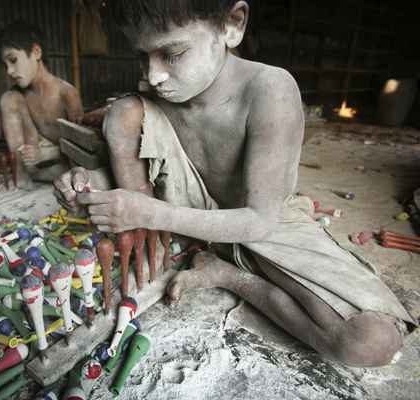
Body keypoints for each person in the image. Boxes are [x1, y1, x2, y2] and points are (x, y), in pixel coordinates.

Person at [53, 0, 416, 368]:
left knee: (370, 341)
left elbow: (260, 222)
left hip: (261, 225)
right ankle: (167, 255)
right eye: (142, 56)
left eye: (172, 53)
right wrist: (90, 183)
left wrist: (150, 212)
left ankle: (225, 273)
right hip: (187, 213)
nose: (154, 74)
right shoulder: (164, 91)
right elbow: (150, 166)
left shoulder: (269, 90)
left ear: (232, 25)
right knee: (124, 111)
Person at [0, 22, 83, 189]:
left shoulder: (66, 93)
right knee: (9, 97)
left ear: (36, 52)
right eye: (5, 65)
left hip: (65, 157)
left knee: (78, 171)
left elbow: (80, 144)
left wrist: (46, 154)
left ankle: (41, 174)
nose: (9, 70)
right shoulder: (18, 93)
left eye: (13, 60)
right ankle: (22, 176)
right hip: (34, 156)